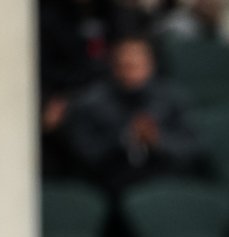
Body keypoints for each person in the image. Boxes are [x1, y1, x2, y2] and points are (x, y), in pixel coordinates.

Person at [62, 34, 203, 193]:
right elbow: (85, 153)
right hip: (109, 184)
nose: (130, 73)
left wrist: (157, 139)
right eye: (124, 66)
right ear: (113, 67)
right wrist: (125, 136)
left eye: (137, 66)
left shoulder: (173, 99)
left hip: (165, 180)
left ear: (151, 65)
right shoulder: (90, 103)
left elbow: (193, 147)